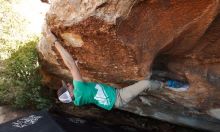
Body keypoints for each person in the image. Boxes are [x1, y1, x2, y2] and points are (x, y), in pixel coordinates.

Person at [46, 30, 188, 110]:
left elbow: (78, 75)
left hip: (114, 98)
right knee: (146, 84)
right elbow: (70, 64)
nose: (69, 84)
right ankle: (170, 85)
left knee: (142, 89)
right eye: (68, 87)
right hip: (119, 97)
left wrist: (76, 67)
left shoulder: (78, 98)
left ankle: (151, 90)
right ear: (70, 94)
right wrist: (54, 42)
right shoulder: (79, 90)